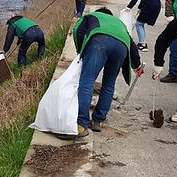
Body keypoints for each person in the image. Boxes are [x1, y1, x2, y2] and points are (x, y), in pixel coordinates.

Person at [61, 7, 143, 138]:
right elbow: (131, 45)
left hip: (99, 42)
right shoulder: (119, 23)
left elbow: (78, 31)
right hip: (121, 47)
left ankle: (81, 123)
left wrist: (81, 53)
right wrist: (137, 65)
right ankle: (98, 120)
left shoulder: (91, 16)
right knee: (109, 84)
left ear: (98, 12)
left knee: (87, 81)